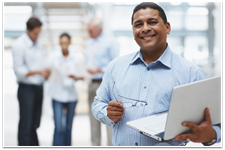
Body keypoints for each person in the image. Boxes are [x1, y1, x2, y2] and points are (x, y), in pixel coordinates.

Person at [91, 2, 221, 146]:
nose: (145, 28)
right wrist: (107, 113)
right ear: (133, 31)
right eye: (138, 24)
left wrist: (212, 135)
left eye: (152, 22)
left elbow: (215, 123)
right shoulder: (115, 67)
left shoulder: (191, 74)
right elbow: (98, 104)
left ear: (167, 27)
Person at [12, 17, 51, 146]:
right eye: (35, 33)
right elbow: (19, 71)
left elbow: (39, 63)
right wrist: (39, 72)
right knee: (26, 122)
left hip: (38, 86)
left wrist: (44, 73)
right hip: (26, 88)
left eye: (39, 32)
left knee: (35, 123)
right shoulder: (19, 44)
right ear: (28, 30)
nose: (37, 35)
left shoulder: (38, 42)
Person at [85, 18, 120, 146]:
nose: (88, 32)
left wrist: (99, 69)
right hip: (92, 83)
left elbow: (116, 64)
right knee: (93, 117)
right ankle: (95, 145)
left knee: (109, 116)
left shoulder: (110, 41)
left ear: (99, 29)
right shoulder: (89, 42)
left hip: (106, 83)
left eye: (91, 30)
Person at [46, 33, 83, 146]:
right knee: (58, 128)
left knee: (68, 128)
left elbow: (81, 77)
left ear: (70, 43)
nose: (64, 46)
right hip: (57, 95)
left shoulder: (76, 58)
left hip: (71, 96)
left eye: (66, 43)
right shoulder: (52, 57)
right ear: (59, 43)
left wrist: (75, 77)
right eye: (62, 43)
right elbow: (47, 74)